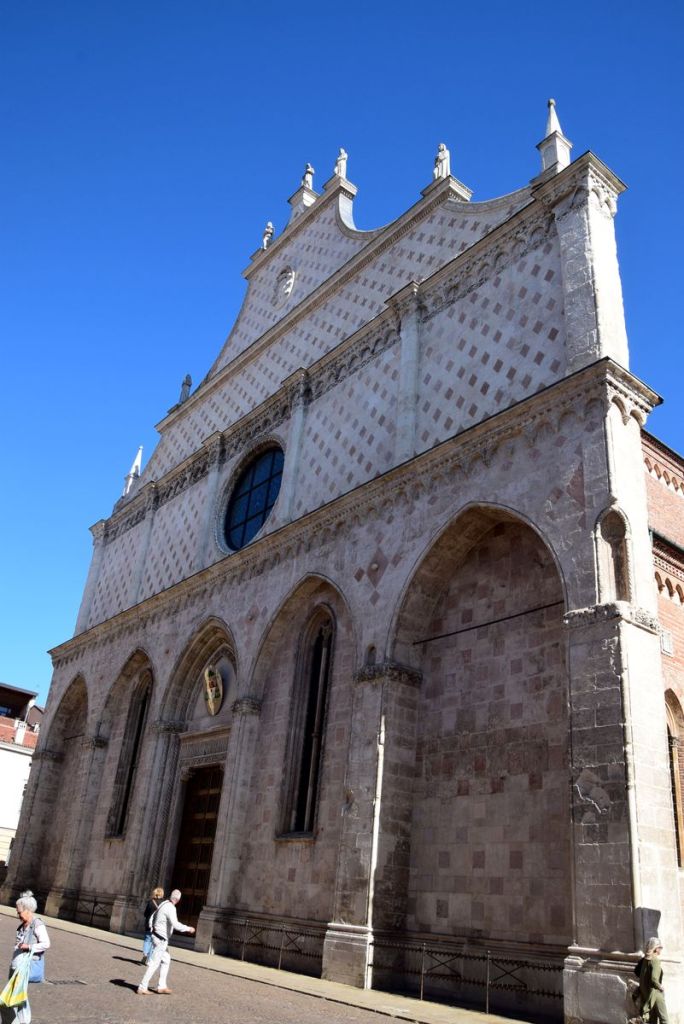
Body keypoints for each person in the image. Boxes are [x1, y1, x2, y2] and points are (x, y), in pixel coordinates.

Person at [1, 894, 50, 1024]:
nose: (17, 914)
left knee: (9, 1001)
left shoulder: (37, 924)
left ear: (28, 910)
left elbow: (46, 943)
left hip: (24, 968)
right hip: (16, 967)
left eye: (19, 911)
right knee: (19, 998)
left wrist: (28, 946)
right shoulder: (23, 925)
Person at [137, 889, 195, 995]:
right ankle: (142, 987)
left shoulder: (163, 904)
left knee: (166, 960)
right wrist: (188, 928)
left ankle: (161, 986)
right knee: (154, 963)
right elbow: (176, 924)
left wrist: (152, 929)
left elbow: (152, 918)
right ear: (178, 900)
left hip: (157, 936)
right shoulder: (171, 908)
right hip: (161, 939)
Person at [637, 937, 669, 1023]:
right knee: (664, 1019)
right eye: (660, 947)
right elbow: (654, 979)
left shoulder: (644, 960)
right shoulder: (655, 960)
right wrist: (660, 987)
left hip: (647, 993)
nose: (661, 949)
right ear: (655, 949)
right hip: (655, 993)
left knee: (652, 1020)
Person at [141, 886, 164, 965]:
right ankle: (149, 959)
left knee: (147, 939)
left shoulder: (150, 902)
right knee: (153, 942)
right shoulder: (162, 904)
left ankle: (145, 953)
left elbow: (145, 913)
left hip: (148, 924)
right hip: (156, 926)